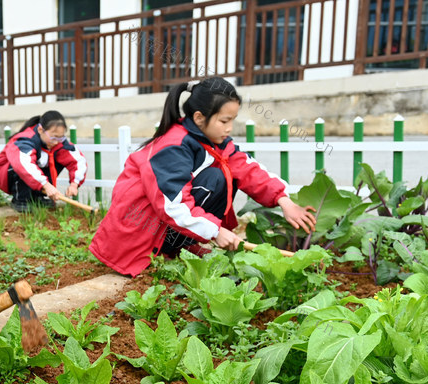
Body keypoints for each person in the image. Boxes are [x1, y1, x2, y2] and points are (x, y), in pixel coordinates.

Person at [89, 78, 316, 276]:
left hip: (161, 224)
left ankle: (179, 246)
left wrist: (284, 201)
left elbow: (247, 168)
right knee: (215, 178)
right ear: (199, 118)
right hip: (139, 232)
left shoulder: (210, 141)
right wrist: (216, 231)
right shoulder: (172, 147)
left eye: (232, 120)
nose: (229, 128)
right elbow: (173, 205)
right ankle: (167, 250)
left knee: (219, 176)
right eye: (224, 121)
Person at [0, 110, 87, 212]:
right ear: (40, 130)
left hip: (34, 176)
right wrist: (46, 185)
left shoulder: (59, 142)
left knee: (58, 158)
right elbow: (24, 164)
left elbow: (78, 160)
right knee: (23, 165)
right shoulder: (25, 140)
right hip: (4, 173)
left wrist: (74, 184)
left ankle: (37, 197)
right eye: (53, 137)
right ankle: (21, 200)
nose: (56, 141)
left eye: (60, 137)